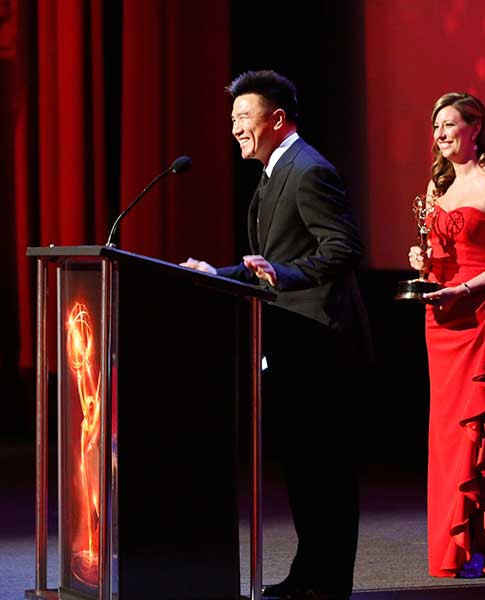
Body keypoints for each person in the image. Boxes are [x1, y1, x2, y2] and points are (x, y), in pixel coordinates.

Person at [181, 70, 372, 600]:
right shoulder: (273, 172)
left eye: (244, 117)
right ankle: (309, 571)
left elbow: (343, 248)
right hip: (292, 341)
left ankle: (331, 581)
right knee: (304, 469)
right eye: (234, 119)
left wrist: (281, 275)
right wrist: (216, 274)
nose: (236, 127)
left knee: (327, 469)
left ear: (277, 119)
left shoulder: (308, 170)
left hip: (322, 345)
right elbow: (271, 260)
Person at [407, 92, 485, 578]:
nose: (439, 134)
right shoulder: (436, 188)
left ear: (475, 127)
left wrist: (465, 286)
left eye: (449, 124)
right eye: (435, 126)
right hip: (443, 320)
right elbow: (439, 253)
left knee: (481, 432)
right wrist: (423, 263)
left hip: (480, 316)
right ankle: (453, 547)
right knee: (448, 436)